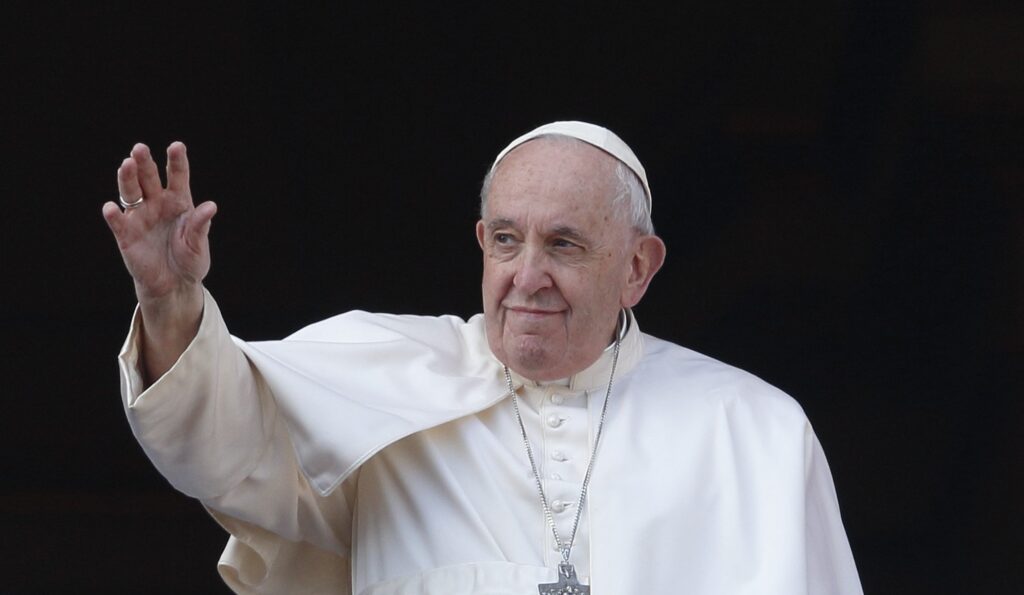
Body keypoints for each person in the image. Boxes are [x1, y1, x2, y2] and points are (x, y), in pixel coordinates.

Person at [104, 121, 863, 594]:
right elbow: (217, 447)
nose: (527, 276)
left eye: (563, 244)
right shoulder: (383, 373)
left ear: (638, 267)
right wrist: (171, 302)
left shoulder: (756, 432)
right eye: (507, 239)